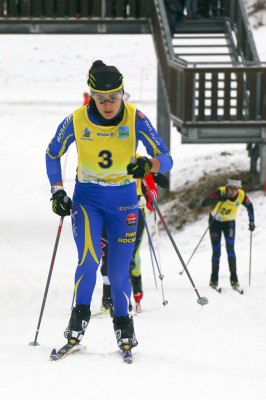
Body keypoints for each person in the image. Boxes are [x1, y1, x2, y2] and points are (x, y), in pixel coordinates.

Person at [45, 60, 173, 352]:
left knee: (118, 272)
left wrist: (149, 164)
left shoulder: (135, 118)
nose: (107, 104)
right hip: (88, 200)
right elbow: (52, 153)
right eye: (100, 99)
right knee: (88, 260)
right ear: (90, 95)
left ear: (122, 94)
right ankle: (77, 321)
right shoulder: (76, 120)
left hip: (124, 201)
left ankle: (123, 325)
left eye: (114, 98)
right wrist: (57, 190)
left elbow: (165, 156)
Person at [100, 172, 168, 314]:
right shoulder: (107, 156)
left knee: (130, 256)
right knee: (107, 255)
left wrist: (147, 196)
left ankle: (133, 294)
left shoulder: (140, 162)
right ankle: (107, 299)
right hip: (110, 211)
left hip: (134, 213)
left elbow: (153, 194)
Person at [201, 177, 255, 290]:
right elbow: (205, 202)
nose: (234, 191)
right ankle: (214, 280)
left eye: (236, 188)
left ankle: (234, 280)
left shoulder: (241, 195)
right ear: (227, 187)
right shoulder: (221, 191)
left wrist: (251, 221)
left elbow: (249, 206)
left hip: (229, 223)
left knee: (230, 250)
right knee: (216, 251)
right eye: (231, 188)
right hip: (215, 222)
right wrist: (220, 198)